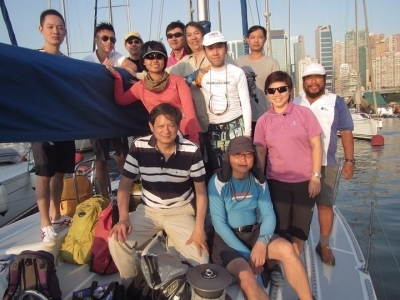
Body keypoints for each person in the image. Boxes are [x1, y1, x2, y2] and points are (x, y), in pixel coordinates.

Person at [108, 103, 209, 288]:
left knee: (202, 260)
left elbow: (201, 191)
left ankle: (173, 243)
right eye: (160, 126)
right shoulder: (138, 146)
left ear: (178, 126)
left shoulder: (191, 150)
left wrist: (199, 227)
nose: (166, 131)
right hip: (149, 211)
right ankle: (132, 284)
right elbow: (124, 184)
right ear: (151, 127)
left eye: (171, 125)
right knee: (117, 239)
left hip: (181, 212)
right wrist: (123, 218)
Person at [208, 136, 314, 300]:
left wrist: (262, 242)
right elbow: (219, 224)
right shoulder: (217, 182)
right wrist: (248, 254)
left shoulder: (258, 180)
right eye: (237, 155)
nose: (243, 159)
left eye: (247, 155)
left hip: (255, 233)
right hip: (227, 241)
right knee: (248, 280)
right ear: (229, 157)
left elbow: (268, 214)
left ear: (253, 157)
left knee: (288, 250)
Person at [254, 71, 322, 256]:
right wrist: (260, 180)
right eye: (272, 90)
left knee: (300, 228)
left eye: (282, 89)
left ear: (290, 90)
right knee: (279, 228)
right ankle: (281, 263)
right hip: (277, 182)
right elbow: (261, 152)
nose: (277, 94)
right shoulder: (263, 121)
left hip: (304, 182)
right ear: (267, 93)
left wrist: (316, 177)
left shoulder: (304, 114)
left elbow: (317, 145)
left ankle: (295, 259)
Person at [293, 63, 355, 266]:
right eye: (309, 77)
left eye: (318, 77)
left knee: (325, 205)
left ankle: (325, 245)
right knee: (296, 207)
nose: (313, 81)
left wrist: (349, 161)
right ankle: (292, 244)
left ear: (325, 79)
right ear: (302, 81)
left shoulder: (336, 101)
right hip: (298, 164)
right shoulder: (294, 102)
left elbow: (346, 132)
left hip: (326, 164)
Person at [32, 9, 75, 242]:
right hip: (42, 126)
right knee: (44, 176)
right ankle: (45, 223)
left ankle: (56, 214)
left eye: (59, 27)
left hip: (65, 126)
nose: (55, 31)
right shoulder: (32, 59)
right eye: (50, 27)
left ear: (65, 32)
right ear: (41, 30)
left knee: (60, 174)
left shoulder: (68, 64)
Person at [106, 40, 200, 143]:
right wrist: (118, 78)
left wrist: (194, 139)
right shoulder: (140, 86)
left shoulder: (177, 81)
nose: (155, 60)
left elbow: (190, 110)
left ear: (164, 60)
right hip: (161, 136)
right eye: (150, 57)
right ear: (143, 61)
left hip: (184, 135)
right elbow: (120, 100)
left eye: (159, 56)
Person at [83, 22, 135, 199]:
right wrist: (100, 70)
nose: (109, 42)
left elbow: (133, 68)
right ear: (96, 40)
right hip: (96, 116)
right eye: (105, 38)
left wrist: (115, 69)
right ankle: (105, 196)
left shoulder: (116, 56)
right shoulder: (87, 61)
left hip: (115, 114)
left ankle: (124, 193)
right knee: (101, 158)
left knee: (122, 154)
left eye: (112, 39)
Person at [199, 31, 252, 171]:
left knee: (240, 168)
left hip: (236, 125)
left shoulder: (237, 72)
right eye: (210, 48)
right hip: (213, 128)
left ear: (226, 49)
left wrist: (247, 133)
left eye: (219, 47)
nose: (215, 52)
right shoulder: (201, 75)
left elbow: (245, 102)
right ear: (204, 52)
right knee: (219, 170)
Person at [236, 25, 280, 136]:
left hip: (265, 116)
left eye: (260, 37)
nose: (256, 40)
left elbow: (277, 90)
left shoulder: (272, 63)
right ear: (247, 39)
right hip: (242, 118)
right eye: (252, 37)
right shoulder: (238, 63)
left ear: (265, 39)